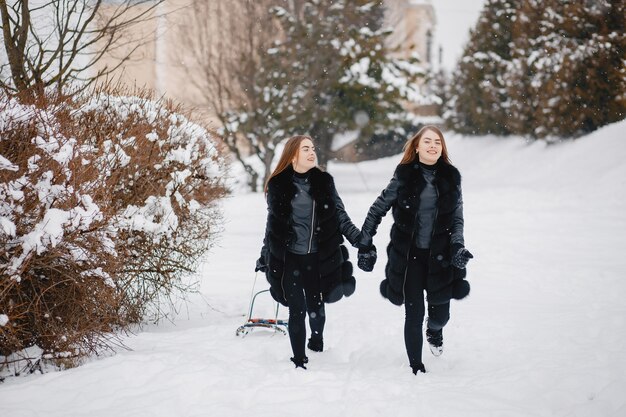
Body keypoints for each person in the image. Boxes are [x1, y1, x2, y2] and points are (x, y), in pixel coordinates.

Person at [357, 125, 473, 375]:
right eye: (428, 142)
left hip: (440, 259)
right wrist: (365, 244)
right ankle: (416, 366)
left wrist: (458, 247)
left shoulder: (451, 178)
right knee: (414, 312)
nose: (433, 146)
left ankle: (434, 330)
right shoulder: (403, 176)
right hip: (409, 258)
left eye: (438, 143)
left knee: (440, 315)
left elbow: (457, 219)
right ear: (417, 146)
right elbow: (377, 209)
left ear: (442, 148)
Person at [255, 135, 363, 369]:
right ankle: (299, 360)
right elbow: (272, 223)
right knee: (297, 310)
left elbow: (340, 215)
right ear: (293, 155)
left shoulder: (324, 182)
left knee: (316, 305)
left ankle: (317, 341)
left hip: (317, 257)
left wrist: (359, 240)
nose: (312, 152)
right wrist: (265, 254)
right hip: (290, 258)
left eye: (313, 148)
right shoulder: (278, 185)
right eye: (306, 149)